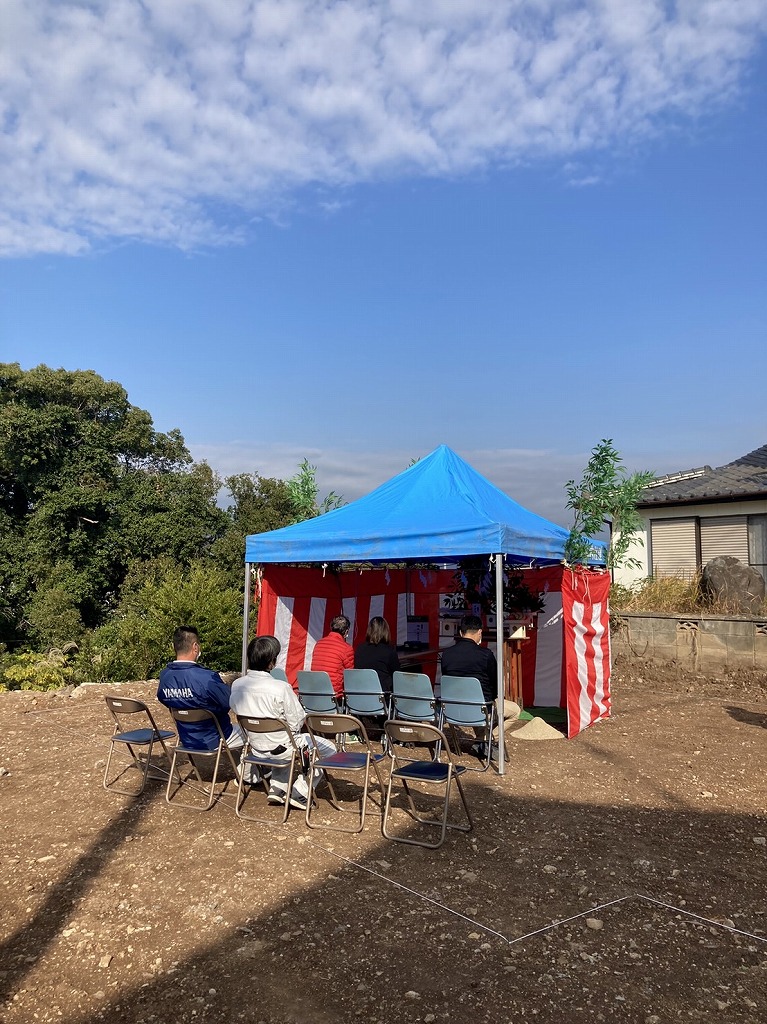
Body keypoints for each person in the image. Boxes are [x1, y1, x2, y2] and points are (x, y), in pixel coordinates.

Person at [230, 635, 335, 810]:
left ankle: (278, 786)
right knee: (328, 748)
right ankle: (301, 791)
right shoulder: (281, 688)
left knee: (283, 740)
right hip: (281, 747)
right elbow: (298, 719)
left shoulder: (237, 685)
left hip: (255, 748)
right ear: (271, 662)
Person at [439, 613, 519, 757]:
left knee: (478, 701)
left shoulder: (446, 654)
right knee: (515, 711)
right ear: (480, 632)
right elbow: (495, 685)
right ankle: (485, 739)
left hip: (453, 708)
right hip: (480, 708)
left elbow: (447, 681)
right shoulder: (485, 654)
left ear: (460, 632)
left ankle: (482, 740)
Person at [157, 625, 245, 752]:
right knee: (251, 733)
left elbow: (165, 700)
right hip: (215, 738)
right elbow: (228, 702)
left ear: (173, 647)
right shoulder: (207, 677)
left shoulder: (165, 676)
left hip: (186, 738)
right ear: (195, 647)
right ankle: (247, 771)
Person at [310, 614, 354, 698]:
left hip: (316, 692)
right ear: (346, 632)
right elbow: (350, 676)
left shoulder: (318, 644)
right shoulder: (346, 648)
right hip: (334, 696)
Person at [354, 616, 400, 695]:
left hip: (361, 694)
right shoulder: (389, 651)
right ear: (385, 631)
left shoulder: (359, 649)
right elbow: (397, 675)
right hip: (382, 696)